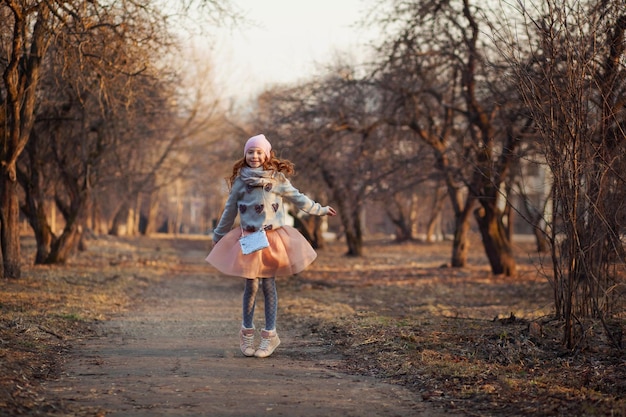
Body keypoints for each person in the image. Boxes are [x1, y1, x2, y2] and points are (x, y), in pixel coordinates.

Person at [205, 134, 337, 358]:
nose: (254, 156)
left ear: (266, 155)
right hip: (249, 238)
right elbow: (229, 211)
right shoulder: (240, 182)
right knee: (251, 285)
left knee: (268, 284)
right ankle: (246, 333)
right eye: (250, 152)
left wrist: (320, 209)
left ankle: (270, 335)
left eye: (258, 152)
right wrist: (219, 233)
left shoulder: (277, 179)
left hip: (272, 238)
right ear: (245, 155)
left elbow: (298, 198)